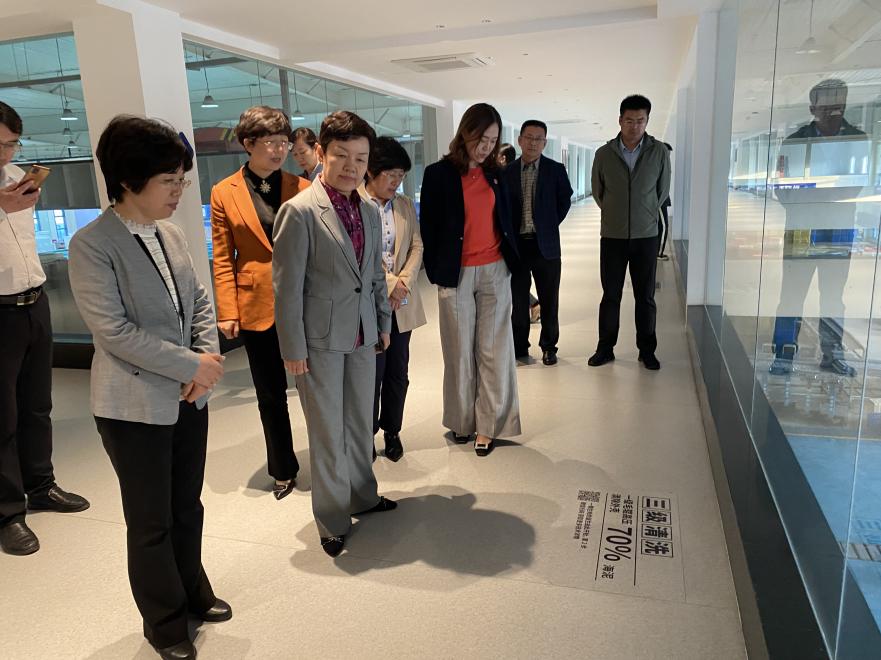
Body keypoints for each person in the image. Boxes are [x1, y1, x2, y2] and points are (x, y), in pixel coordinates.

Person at [68, 116, 231, 660]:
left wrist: (204, 360)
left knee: (187, 504)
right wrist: (191, 365)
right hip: (132, 406)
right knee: (150, 520)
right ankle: (163, 622)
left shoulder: (172, 233)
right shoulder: (92, 245)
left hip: (189, 394)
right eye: (169, 181)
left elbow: (199, 300)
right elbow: (114, 332)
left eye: (182, 179)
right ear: (128, 180)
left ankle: (193, 590)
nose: (179, 191)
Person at [273, 111, 396, 558]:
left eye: (360, 158)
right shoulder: (299, 211)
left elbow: (375, 274)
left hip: (362, 333)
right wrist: (292, 349)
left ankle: (363, 495)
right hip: (318, 341)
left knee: (361, 422)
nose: (351, 166)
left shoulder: (368, 208)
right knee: (327, 432)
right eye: (342, 155)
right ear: (322, 153)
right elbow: (286, 288)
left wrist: (383, 323)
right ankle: (331, 518)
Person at [0, 101, 89, 557]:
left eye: (12, 143)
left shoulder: (16, 176)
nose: (6, 152)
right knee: (3, 415)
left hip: (34, 300)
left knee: (37, 404)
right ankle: (7, 512)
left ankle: (41, 485)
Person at [211, 106, 309, 499]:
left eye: (284, 142)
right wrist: (227, 311)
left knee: (316, 388)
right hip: (255, 304)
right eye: (271, 142)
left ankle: (331, 457)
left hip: (303, 300)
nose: (280, 150)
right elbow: (223, 257)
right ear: (248, 143)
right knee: (270, 394)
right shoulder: (224, 192)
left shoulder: (303, 187)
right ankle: (283, 468)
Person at [420, 102, 521, 457]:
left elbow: (508, 217)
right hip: (455, 273)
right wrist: (437, 271)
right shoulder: (438, 174)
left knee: (493, 351)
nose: (486, 147)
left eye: (493, 141)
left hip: (495, 270)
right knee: (459, 352)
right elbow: (429, 226)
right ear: (466, 133)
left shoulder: (498, 174)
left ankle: (488, 426)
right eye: (481, 139)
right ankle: (461, 421)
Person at [770, 79, 865, 377]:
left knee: (834, 295)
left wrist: (816, 193)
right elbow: (782, 188)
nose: (834, 111)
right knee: (792, 293)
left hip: (839, 229)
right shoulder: (794, 142)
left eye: (839, 104)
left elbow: (859, 184)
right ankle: (784, 353)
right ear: (813, 109)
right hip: (802, 229)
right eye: (827, 106)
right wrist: (820, 196)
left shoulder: (858, 139)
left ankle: (832, 353)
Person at [589, 94, 670, 371]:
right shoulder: (604, 154)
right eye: (629, 120)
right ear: (620, 120)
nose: (634, 126)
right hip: (612, 236)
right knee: (610, 295)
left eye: (640, 121)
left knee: (645, 297)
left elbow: (662, 192)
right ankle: (605, 348)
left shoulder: (658, 152)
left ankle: (647, 350)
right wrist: (616, 214)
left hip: (646, 236)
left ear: (647, 121)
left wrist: (643, 214)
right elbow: (598, 192)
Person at [359, 136, 426, 462]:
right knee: (372, 373)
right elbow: (360, 252)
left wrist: (405, 283)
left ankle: (392, 430)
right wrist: (389, 283)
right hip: (369, 303)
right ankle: (366, 434)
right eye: (391, 175)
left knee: (398, 370)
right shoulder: (356, 203)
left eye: (401, 175)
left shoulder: (403, 204)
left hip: (402, 302)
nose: (396, 182)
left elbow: (416, 245)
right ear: (372, 171)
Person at [505, 119, 573, 366]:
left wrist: (548, 225)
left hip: (546, 247)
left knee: (549, 299)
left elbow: (564, 201)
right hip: (517, 247)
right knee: (518, 300)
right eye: (529, 138)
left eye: (538, 139)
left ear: (545, 143)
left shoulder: (555, 170)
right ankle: (519, 346)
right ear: (520, 140)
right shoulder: (507, 172)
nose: (533, 143)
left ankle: (549, 346)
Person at [657, 142, 673, 260]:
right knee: (663, 226)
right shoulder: (658, 165)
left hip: (662, 200)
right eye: (667, 153)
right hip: (659, 201)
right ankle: (658, 253)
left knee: (660, 226)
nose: (668, 156)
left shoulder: (663, 165)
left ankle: (656, 251)